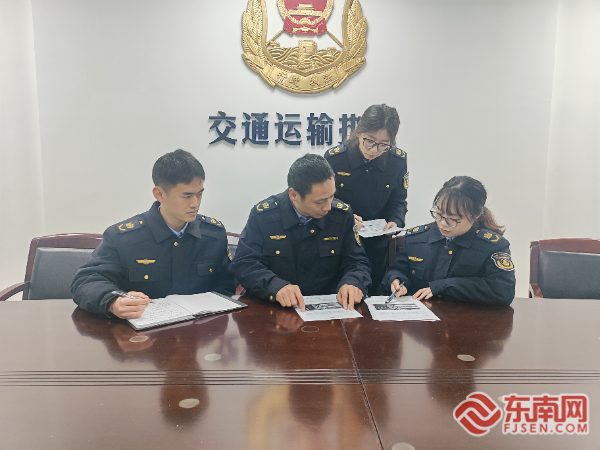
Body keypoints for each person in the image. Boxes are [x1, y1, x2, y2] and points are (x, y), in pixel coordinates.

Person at [71, 149, 236, 318]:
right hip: (141, 330)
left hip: (200, 328)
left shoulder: (213, 234)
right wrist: (113, 301)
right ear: (160, 194)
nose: (195, 203)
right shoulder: (124, 238)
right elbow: (86, 281)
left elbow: (227, 282)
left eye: (199, 194)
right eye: (187, 196)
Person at [230, 153, 371, 311]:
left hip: (329, 310)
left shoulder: (341, 215)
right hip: (274, 309)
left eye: (331, 196)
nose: (328, 207)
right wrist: (275, 286)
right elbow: (244, 263)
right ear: (294, 195)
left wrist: (353, 282)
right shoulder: (264, 216)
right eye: (320, 201)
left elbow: (357, 261)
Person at [382, 176, 515, 305]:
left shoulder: (492, 246)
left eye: (453, 219)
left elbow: (503, 291)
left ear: (476, 215)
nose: (443, 223)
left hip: (467, 317)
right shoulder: (417, 238)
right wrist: (396, 280)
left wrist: (444, 287)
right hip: (421, 317)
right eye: (439, 214)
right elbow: (398, 270)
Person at [325, 104, 407, 295]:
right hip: (342, 239)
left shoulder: (397, 161)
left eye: (383, 144)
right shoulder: (336, 158)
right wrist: (347, 216)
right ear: (359, 133)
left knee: (374, 292)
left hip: (377, 243)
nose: (374, 149)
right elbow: (326, 199)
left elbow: (398, 200)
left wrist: (395, 220)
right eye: (369, 141)